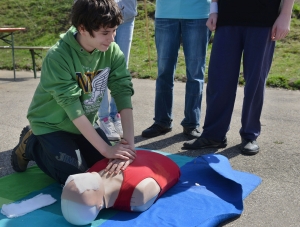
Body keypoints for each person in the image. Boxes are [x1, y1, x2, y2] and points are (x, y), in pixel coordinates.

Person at [10, 0, 136, 185]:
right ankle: (31, 144)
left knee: (105, 169)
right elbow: (72, 106)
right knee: (75, 177)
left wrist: (129, 147)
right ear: (83, 28)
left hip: (84, 124)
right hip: (52, 125)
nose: (112, 38)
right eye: (105, 33)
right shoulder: (58, 56)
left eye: (115, 30)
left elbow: (122, 90)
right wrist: (106, 149)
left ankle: (65, 148)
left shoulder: (111, 50)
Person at [183, 0, 295, 155]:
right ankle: (214, 135)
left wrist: (285, 14)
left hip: (263, 18)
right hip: (227, 17)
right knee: (219, 80)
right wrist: (213, 10)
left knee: (255, 81)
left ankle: (250, 135)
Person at [141, 0, 212, 138]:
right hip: (165, 13)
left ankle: (191, 123)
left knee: (195, 74)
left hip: (198, 13)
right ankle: (162, 121)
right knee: (163, 72)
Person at [61, 149, 180, 225]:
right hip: (164, 162)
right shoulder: (137, 195)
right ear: (99, 205)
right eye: (86, 189)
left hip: (135, 152)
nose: (79, 180)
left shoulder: (89, 173)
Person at [98, 0, 137, 141]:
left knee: (121, 68)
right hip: (99, 14)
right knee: (101, 68)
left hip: (126, 14)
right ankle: (104, 118)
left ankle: (116, 115)